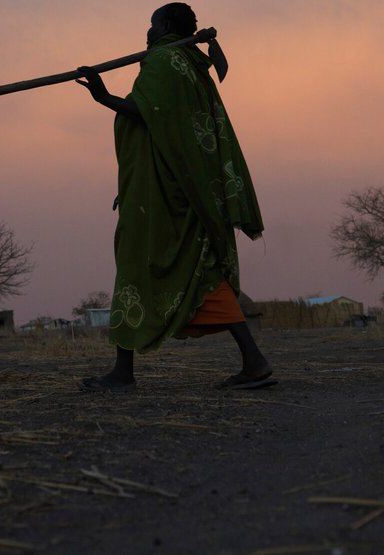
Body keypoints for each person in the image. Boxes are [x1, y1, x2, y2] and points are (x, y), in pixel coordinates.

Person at [76, 3, 272, 392]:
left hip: (167, 195)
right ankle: (253, 360)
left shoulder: (166, 61)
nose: (147, 32)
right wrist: (136, 183)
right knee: (201, 273)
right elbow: (171, 131)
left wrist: (103, 96)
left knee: (135, 264)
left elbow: (146, 114)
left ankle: (122, 372)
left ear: (165, 25)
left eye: (151, 25)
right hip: (182, 187)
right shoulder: (190, 66)